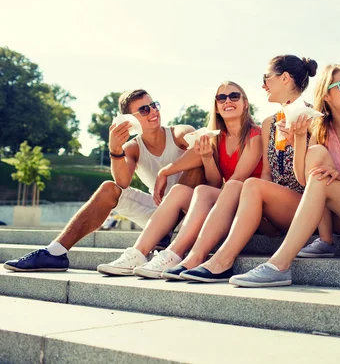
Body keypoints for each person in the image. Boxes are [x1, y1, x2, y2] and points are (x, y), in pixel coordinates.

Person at [230, 64, 340, 287]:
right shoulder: (321, 129)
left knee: (323, 176)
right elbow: (304, 179)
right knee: (317, 156)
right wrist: (299, 137)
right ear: (327, 95)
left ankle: (278, 265)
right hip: (338, 218)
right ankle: (324, 240)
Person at [4, 89, 201, 272]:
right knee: (109, 188)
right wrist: (115, 150)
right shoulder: (133, 148)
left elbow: (201, 150)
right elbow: (122, 182)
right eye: (144, 109)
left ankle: (163, 237)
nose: (153, 111)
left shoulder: (179, 133)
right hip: (159, 214)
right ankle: (55, 252)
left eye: (154, 105)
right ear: (129, 120)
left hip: (192, 210)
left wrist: (165, 172)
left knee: (196, 165)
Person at [170, 54, 320, 282]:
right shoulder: (269, 123)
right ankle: (195, 257)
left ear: (285, 78)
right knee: (233, 186)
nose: (263, 85)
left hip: (306, 207)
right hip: (274, 210)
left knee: (247, 184)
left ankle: (222, 261)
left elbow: (316, 171)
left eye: (266, 78)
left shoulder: (314, 116)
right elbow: (267, 173)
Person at [96, 82, 263, 277]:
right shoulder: (217, 137)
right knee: (179, 191)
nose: (227, 101)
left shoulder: (255, 135)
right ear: (216, 106)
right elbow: (216, 182)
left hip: (250, 206)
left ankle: (175, 253)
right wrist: (206, 158)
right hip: (229, 199)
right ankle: (138, 253)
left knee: (212, 189)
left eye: (234, 96)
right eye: (221, 98)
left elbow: (236, 182)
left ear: (245, 103)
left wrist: (165, 171)